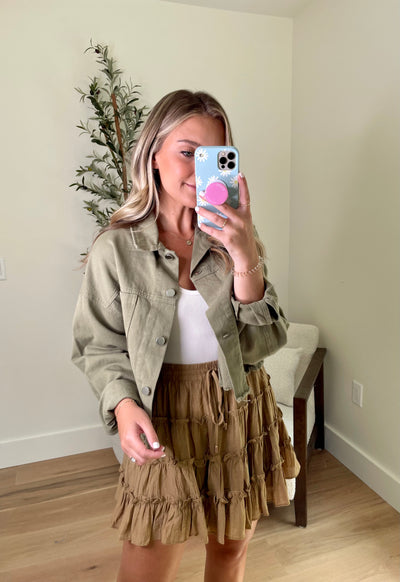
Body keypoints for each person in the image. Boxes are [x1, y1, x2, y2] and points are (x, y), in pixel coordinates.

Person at [72, 89, 300, 582]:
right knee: (146, 570)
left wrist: (244, 254)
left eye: (214, 155)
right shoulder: (116, 249)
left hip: (237, 409)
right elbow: (99, 345)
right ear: (153, 154)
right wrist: (123, 405)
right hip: (162, 417)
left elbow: (264, 344)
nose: (200, 169)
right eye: (187, 152)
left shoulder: (233, 238)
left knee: (230, 554)